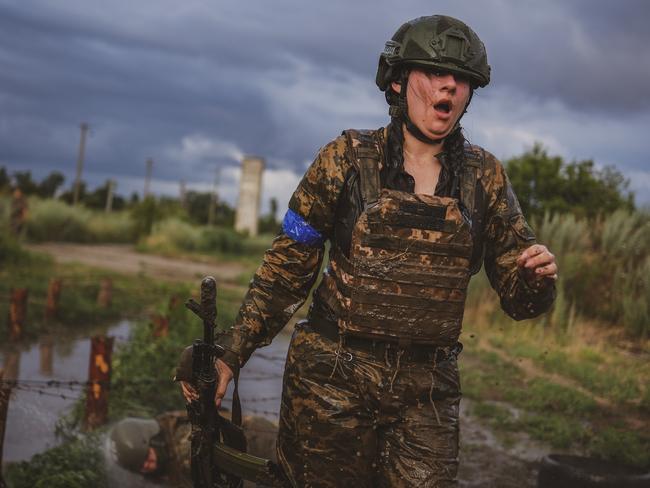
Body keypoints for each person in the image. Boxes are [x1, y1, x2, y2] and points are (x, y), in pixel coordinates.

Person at [181, 14, 557, 487]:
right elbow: (286, 272)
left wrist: (536, 279)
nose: (450, 87)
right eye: (435, 73)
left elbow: (521, 299)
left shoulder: (485, 177)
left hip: (427, 391)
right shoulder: (344, 160)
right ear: (398, 82)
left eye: (461, 78)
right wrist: (230, 353)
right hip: (330, 381)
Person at [109, 411, 278, 487]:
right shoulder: (166, 432)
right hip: (250, 461)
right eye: (140, 467)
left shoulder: (186, 448)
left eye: (147, 457)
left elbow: (235, 476)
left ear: (152, 441)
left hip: (260, 445)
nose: (147, 465)